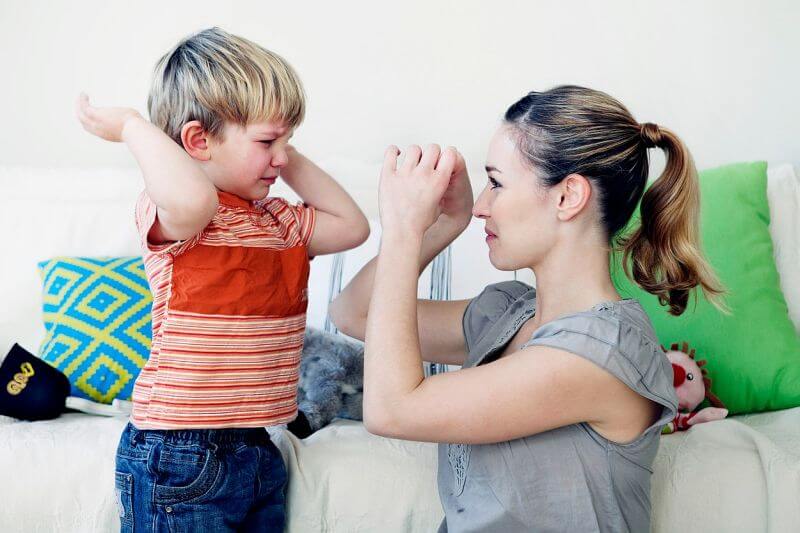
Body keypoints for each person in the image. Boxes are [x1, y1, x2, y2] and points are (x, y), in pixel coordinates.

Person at [330, 85, 724, 532]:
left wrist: (403, 229)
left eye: (496, 183)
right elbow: (353, 312)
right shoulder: (508, 312)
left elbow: (391, 411)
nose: (481, 206)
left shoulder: (602, 355)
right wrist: (442, 225)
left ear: (567, 197)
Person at [77, 27, 369, 532]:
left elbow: (353, 226)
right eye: (267, 142)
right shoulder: (181, 217)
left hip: (256, 444)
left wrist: (282, 148)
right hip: (178, 451)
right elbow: (194, 198)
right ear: (197, 141)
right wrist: (132, 127)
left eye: (288, 141)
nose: (281, 157)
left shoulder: (280, 223)